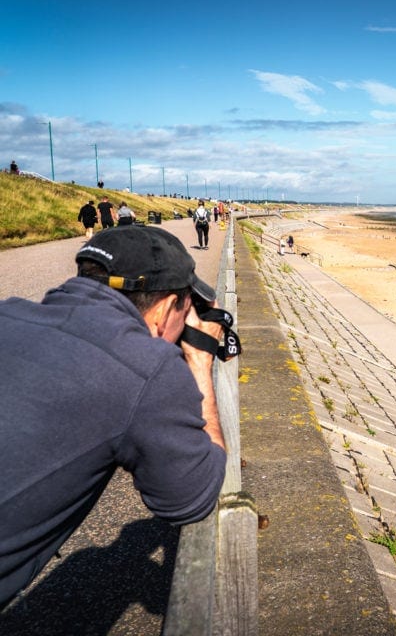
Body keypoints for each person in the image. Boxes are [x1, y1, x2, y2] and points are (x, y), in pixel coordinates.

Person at [0, 227, 228, 608]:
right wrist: (200, 361)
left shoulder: (8, 312)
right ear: (164, 308)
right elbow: (193, 496)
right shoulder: (146, 367)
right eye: (186, 307)